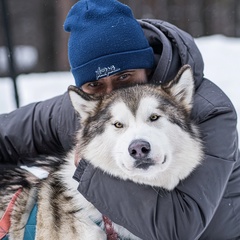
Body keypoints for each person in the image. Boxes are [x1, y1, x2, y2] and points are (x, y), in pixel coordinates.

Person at [0, 0, 239, 239]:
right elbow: (6, 135)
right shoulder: (92, 106)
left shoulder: (209, 110)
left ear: (145, 66)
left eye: (124, 77)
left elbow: (179, 228)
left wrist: (87, 169)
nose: (112, 95)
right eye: (95, 84)